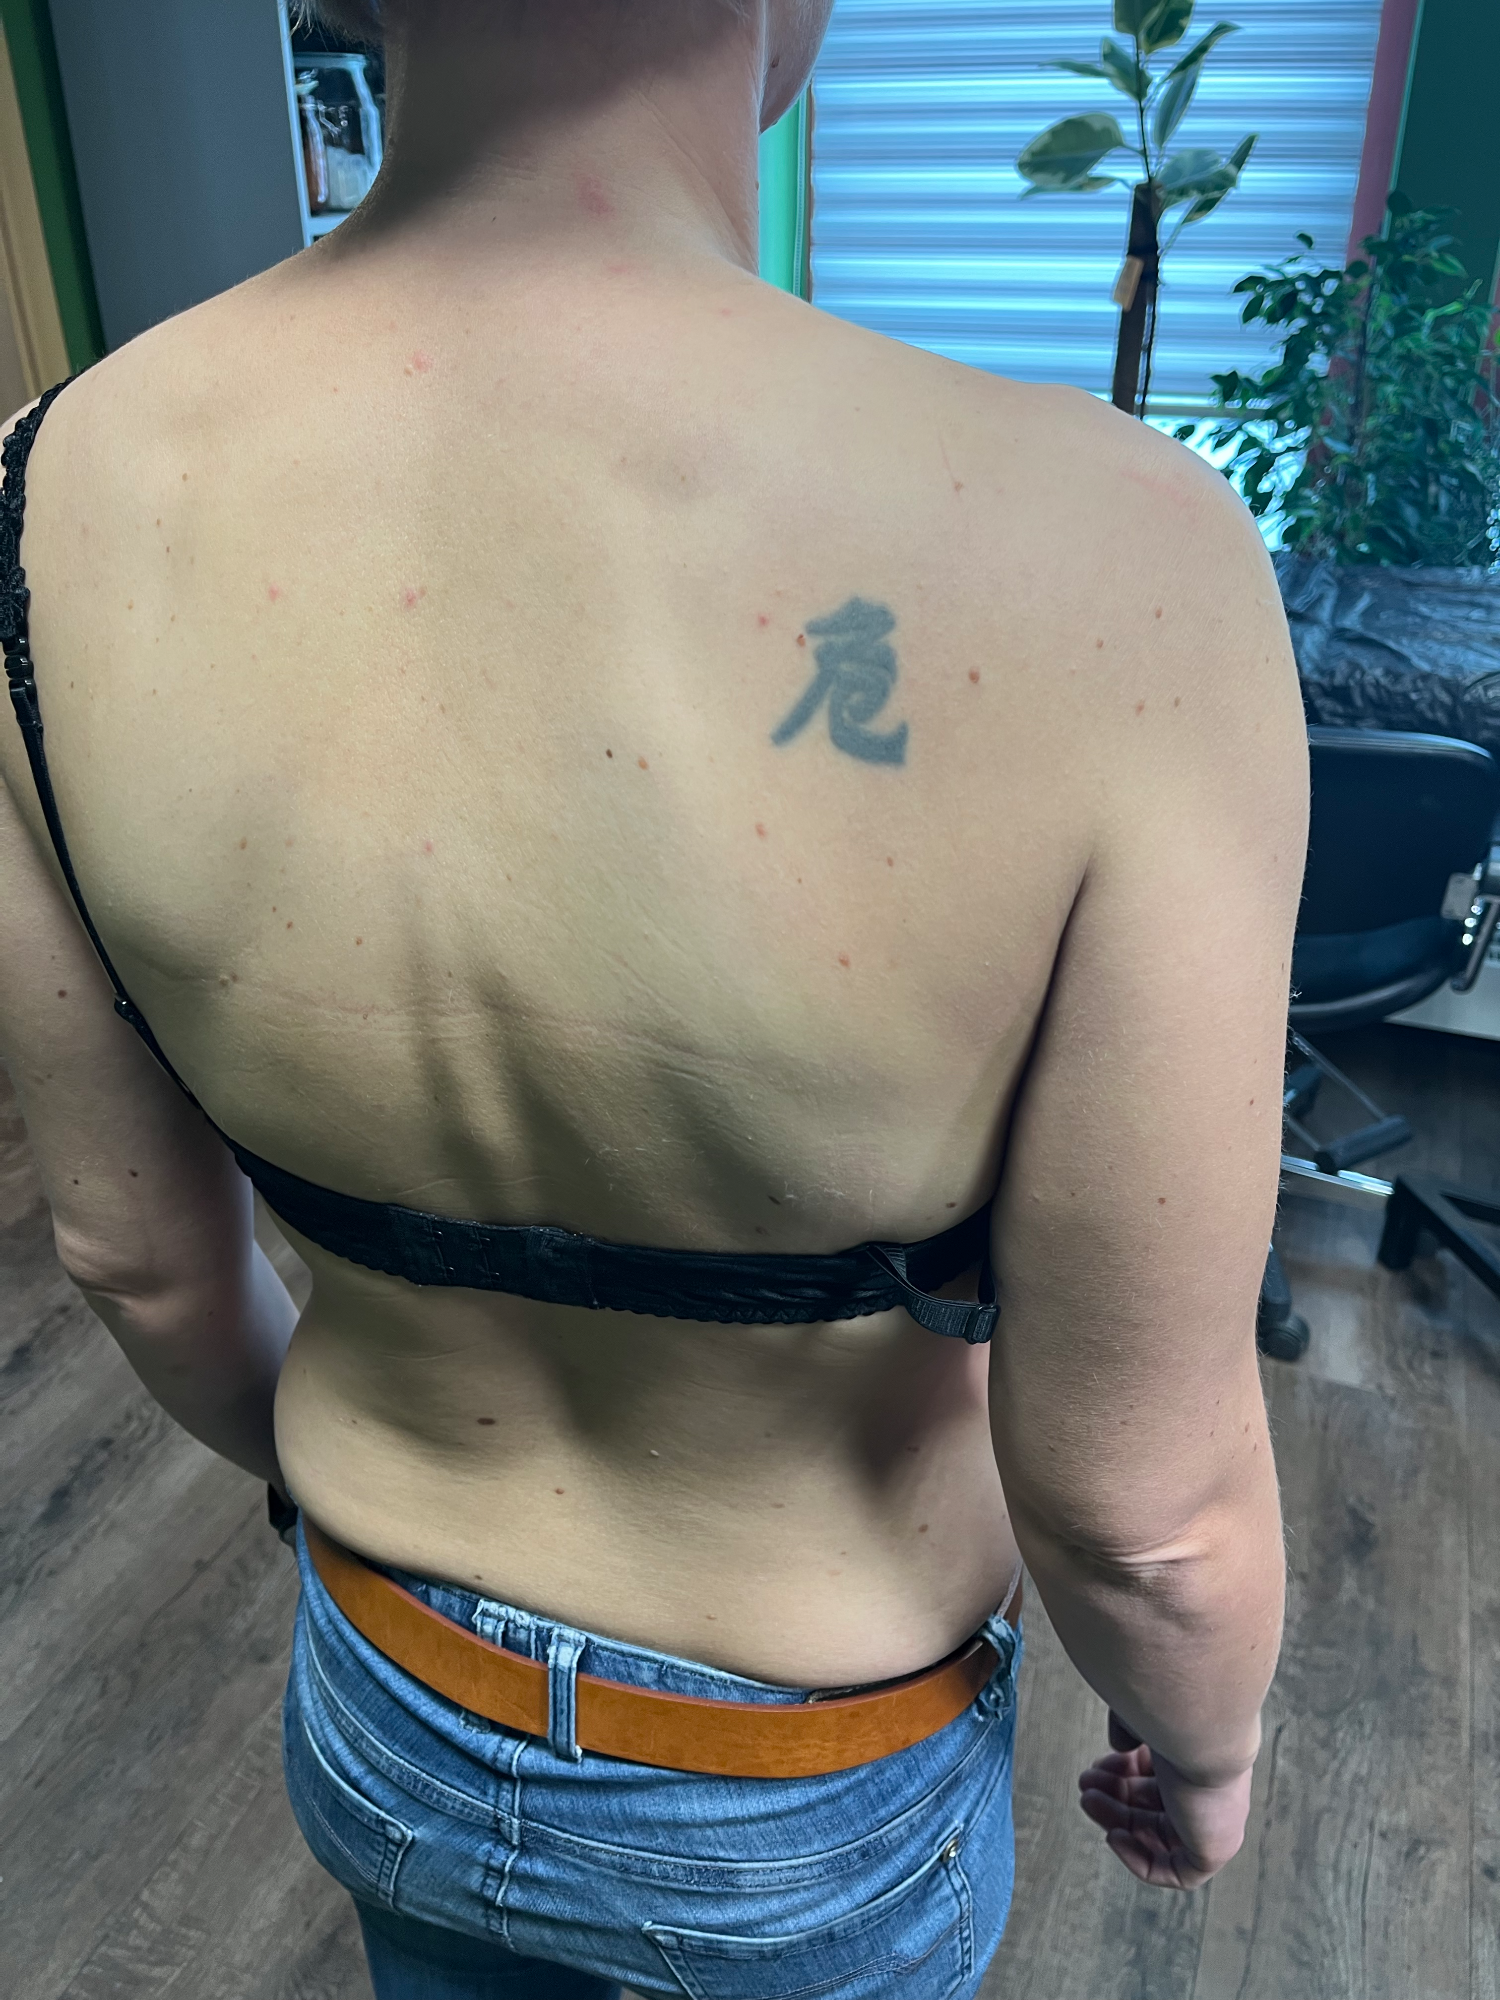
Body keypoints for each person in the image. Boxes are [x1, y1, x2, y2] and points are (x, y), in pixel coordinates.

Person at [0, 1, 1303, 1993]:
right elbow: (1145, 1517)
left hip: (388, 1697)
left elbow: (136, 1257)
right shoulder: (1131, 568)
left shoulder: (40, 504)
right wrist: (1204, 1756)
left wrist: (385, 1471)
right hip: (808, 1794)